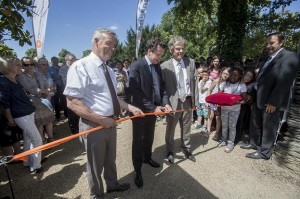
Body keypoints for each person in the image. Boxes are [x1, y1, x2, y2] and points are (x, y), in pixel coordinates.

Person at [63, 28, 143, 198]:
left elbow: (114, 99)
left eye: (114, 46)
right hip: (93, 125)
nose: (112, 48)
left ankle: (112, 185)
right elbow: (72, 102)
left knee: (110, 160)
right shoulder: (81, 66)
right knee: (95, 166)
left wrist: (130, 108)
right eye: (108, 43)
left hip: (110, 122)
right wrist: (100, 120)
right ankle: (97, 195)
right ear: (96, 42)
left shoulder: (109, 70)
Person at [243, 32, 299, 160]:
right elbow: (260, 78)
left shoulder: (290, 57)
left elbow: (284, 82)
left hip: (271, 100)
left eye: (272, 43)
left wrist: (274, 102)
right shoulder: (267, 58)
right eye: (267, 43)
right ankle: (254, 143)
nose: (268, 46)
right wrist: (252, 93)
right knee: (255, 123)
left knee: (269, 126)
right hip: (258, 97)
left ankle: (264, 152)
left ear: (281, 42)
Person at [129, 37, 172, 188]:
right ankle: (137, 170)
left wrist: (165, 103)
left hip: (153, 111)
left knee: (149, 137)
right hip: (140, 112)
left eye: (161, 55)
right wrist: (152, 107)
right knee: (138, 141)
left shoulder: (157, 67)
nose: (160, 58)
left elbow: (162, 87)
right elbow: (136, 92)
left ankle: (147, 158)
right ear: (149, 51)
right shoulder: (136, 66)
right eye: (158, 55)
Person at [0, 57, 43, 173]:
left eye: (20, 64)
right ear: (7, 67)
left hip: (27, 112)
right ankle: (36, 165)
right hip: (21, 115)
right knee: (37, 139)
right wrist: (9, 118)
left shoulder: (15, 79)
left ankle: (28, 161)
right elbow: (5, 102)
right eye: (17, 65)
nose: (21, 67)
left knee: (28, 138)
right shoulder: (3, 81)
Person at [161, 36, 197, 164]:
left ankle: (186, 148)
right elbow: (162, 88)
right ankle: (170, 150)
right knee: (171, 128)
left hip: (187, 100)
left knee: (187, 126)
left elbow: (194, 83)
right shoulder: (164, 66)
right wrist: (165, 103)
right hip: (173, 103)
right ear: (171, 49)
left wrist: (195, 101)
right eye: (177, 49)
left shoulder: (191, 62)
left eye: (182, 48)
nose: (180, 51)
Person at [17, 57, 55, 143]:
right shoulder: (21, 77)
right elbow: (32, 90)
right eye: (26, 65)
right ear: (22, 66)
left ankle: (51, 138)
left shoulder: (38, 74)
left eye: (31, 64)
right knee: (39, 123)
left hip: (44, 100)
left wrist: (48, 90)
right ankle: (42, 141)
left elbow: (45, 84)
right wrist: (46, 90)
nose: (29, 66)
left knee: (49, 120)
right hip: (32, 102)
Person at [218, 67, 247, 153]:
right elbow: (219, 96)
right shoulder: (224, 84)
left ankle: (230, 143)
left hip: (234, 110)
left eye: (235, 75)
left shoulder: (242, 86)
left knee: (232, 126)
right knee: (224, 124)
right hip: (224, 109)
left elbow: (244, 100)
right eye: (231, 75)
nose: (233, 77)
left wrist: (236, 103)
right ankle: (224, 140)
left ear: (239, 76)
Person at [59, 54, 80, 134]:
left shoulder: (77, 67)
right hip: (69, 94)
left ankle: (78, 127)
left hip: (78, 93)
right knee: (71, 112)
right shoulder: (63, 69)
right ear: (66, 60)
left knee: (78, 111)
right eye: (71, 60)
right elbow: (66, 81)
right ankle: (74, 130)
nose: (73, 61)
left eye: (74, 59)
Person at [193, 68, 211, 136]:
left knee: (205, 114)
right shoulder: (200, 81)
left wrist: (203, 81)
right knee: (199, 113)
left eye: (206, 75)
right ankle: (199, 124)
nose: (204, 76)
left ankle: (204, 126)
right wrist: (201, 81)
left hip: (205, 101)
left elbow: (202, 89)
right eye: (203, 75)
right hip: (199, 100)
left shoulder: (209, 82)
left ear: (208, 75)